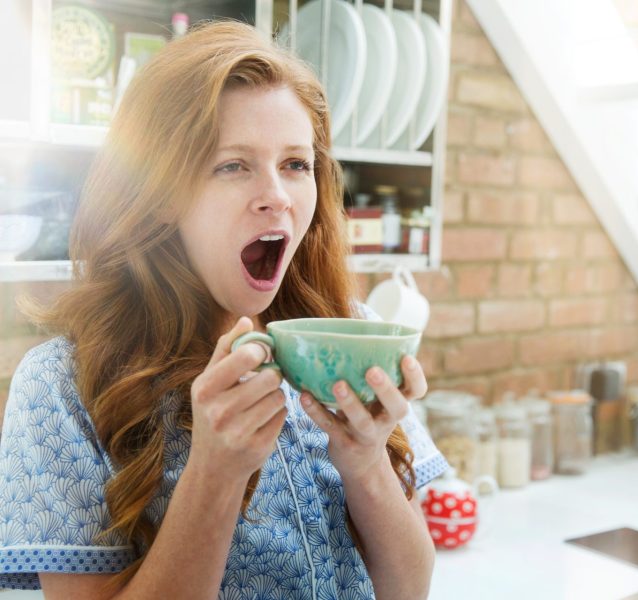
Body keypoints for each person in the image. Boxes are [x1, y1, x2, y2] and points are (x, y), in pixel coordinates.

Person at [0, 20, 447, 600]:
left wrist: (366, 461)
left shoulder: (348, 336)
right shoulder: (63, 385)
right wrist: (213, 475)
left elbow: (410, 588)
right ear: (160, 193)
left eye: (295, 164)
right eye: (232, 165)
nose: (278, 196)